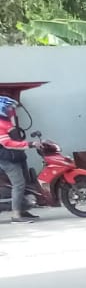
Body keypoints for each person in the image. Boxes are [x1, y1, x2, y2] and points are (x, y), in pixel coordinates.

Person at [0, 95, 36, 224]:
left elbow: (16, 137)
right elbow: (7, 143)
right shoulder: (0, 123)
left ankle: (23, 210)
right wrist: (29, 144)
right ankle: (16, 215)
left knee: (24, 183)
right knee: (19, 184)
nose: (11, 110)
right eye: (9, 108)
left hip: (15, 156)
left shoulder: (7, 122)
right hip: (7, 159)